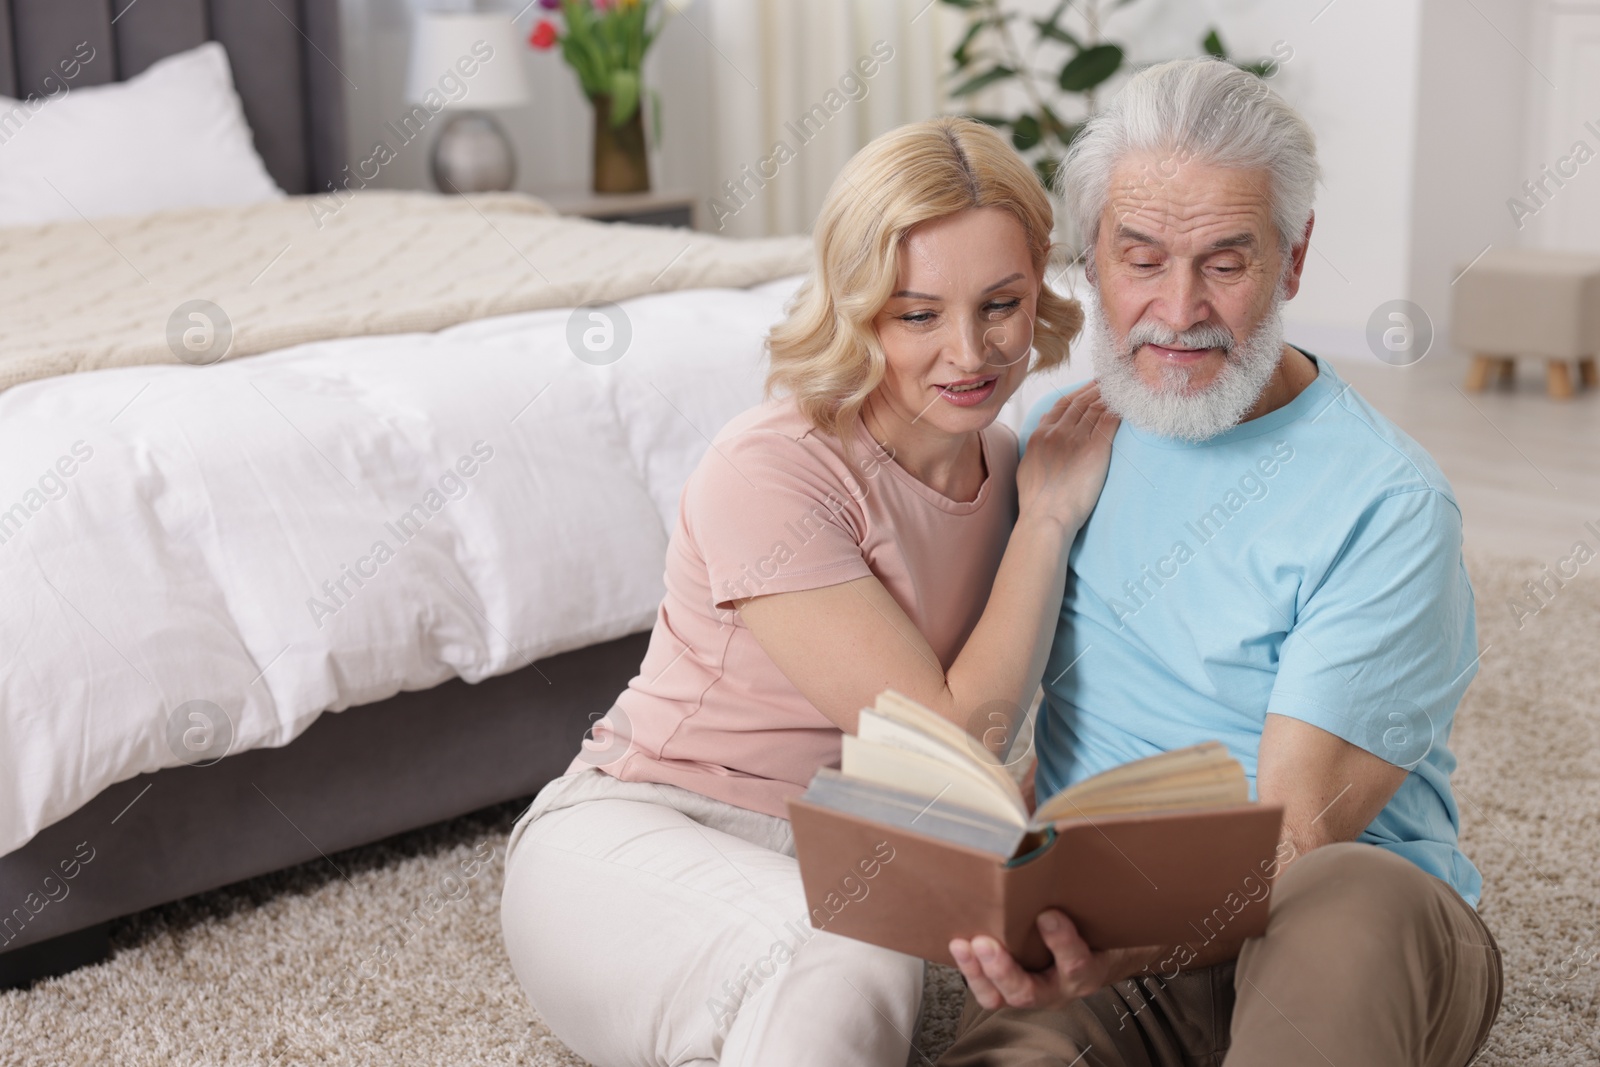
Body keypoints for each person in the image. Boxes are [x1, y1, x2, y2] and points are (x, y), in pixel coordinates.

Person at [499, 116, 1120, 1067]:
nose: (970, 351)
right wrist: (1045, 524)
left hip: (839, 858)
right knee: (843, 953)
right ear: (856, 305)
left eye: (1000, 303)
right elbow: (953, 745)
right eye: (917, 314)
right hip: (636, 832)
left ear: (1040, 289)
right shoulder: (775, 467)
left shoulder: (1012, 461)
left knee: (870, 951)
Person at [937, 58, 1502, 1067]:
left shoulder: (1386, 501)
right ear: (1091, 255)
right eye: (1140, 256)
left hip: (1330, 917)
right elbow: (978, 720)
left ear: (1292, 259)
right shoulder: (1055, 441)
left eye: (1225, 262)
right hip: (1101, 932)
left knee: (1342, 898)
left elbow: (1295, 834)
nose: (1178, 307)